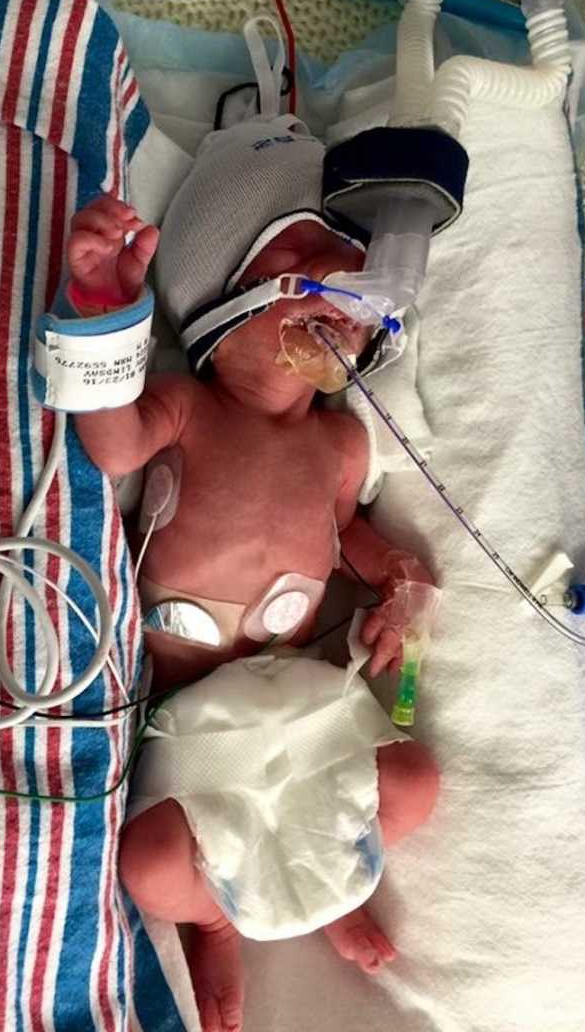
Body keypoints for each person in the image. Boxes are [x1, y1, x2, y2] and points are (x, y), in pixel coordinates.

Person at [66, 116, 439, 1032]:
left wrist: (396, 575)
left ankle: (328, 889)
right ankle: (214, 927)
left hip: (309, 697)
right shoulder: (187, 408)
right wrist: (97, 311)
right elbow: (110, 441)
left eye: (354, 265)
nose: (347, 283)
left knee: (416, 783)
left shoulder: (341, 441)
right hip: (195, 723)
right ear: (222, 298)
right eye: (313, 256)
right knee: (150, 869)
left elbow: (346, 532)